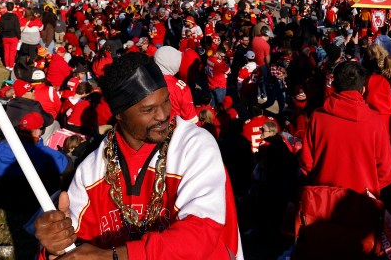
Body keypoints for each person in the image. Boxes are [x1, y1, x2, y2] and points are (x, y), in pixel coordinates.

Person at [34, 51, 242, 259]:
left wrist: (113, 257)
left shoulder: (195, 145)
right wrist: (56, 245)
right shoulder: (91, 171)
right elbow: (75, 249)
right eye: (148, 109)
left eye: (166, 101)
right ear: (119, 114)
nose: (162, 115)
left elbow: (201, 234)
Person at [299, 60, 391, 196]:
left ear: (335, 86)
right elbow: (386, 172)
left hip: (324, 200)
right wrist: (368, 186)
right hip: (362, 201)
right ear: (363, 90)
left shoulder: (318, 117)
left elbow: (306, 163)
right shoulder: (376, 121)